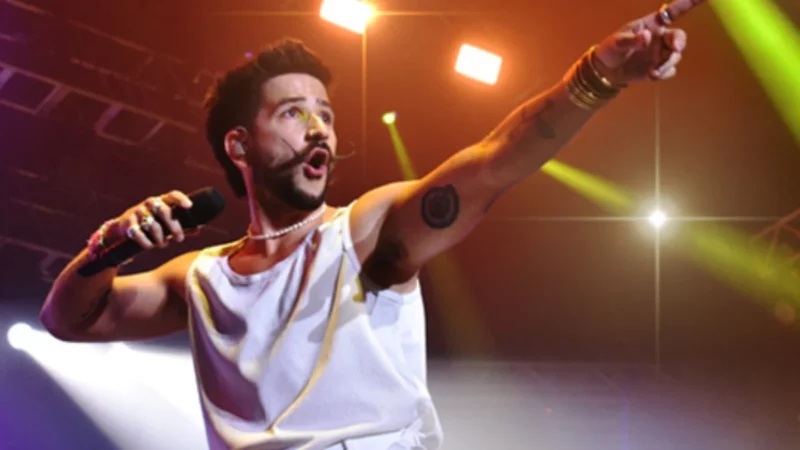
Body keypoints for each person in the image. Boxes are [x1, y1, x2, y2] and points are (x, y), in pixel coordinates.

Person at [40, 1, 706, 448]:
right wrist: (109, 247)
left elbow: (496, 160)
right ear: (239, 144)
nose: (319, 128)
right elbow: (68, 320)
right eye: (293, 113)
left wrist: (598, 74)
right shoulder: (203, 278)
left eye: (325, 114)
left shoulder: (365, 230)